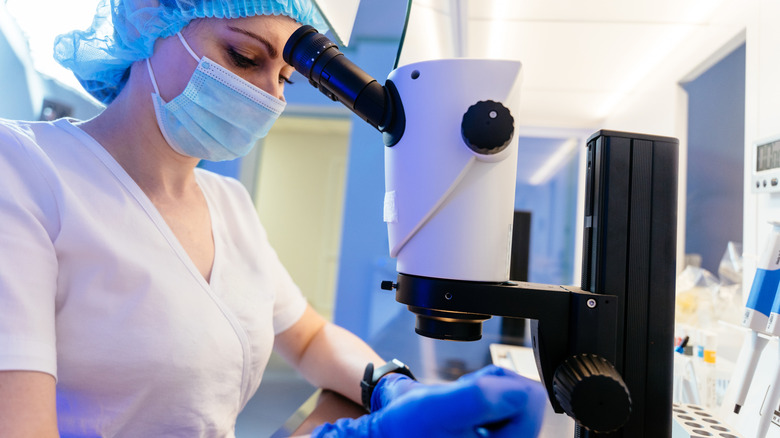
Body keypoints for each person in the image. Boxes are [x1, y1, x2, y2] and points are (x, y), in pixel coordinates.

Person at [0, 0, 546, 436]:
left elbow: (308, 339)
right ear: (148, 15)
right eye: (244, 57)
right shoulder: (22, 169)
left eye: (287, 77)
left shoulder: (229, 205)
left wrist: (389, 384)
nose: (267, 94)